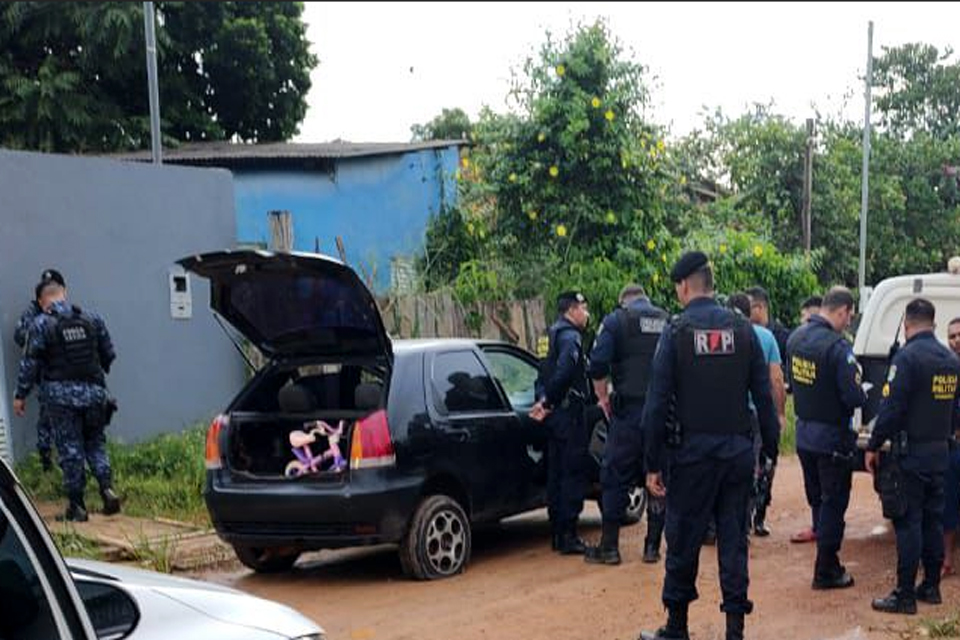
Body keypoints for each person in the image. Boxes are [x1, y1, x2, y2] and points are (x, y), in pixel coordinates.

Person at [639, 252, 779, 640]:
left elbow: (656, 403)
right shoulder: (743, 329)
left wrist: (652, 463)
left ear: (684, 286)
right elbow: (764, 398)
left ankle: (677, 627)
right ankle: (735, 630)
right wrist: (768, 450)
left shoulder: (677, 331)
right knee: (734, 541)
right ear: (710, 283)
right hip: (736, 455)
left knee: (683, 538)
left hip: (692, 458)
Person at [866, 298, 960, 614]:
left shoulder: (907, 358)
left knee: (908, 522)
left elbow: (891, 409)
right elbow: (956, 412)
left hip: (912, 455)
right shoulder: (951, 360)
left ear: (907, 325)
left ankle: (904, 595)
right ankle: (930, 587)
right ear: (933, 324)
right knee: (934, 520)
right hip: (940, 454)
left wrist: (874, 444)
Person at [12, 277, 120, 522]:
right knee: (95, 442)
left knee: (70, 448)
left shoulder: (40, 324)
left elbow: (30, 364)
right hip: (95, 394)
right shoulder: (92, 319)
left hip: (61, 398)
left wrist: (20, 395)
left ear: (41, 302)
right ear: (64, 293)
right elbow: (109, 355)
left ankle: (77, 505)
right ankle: (106, 489)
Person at [786, 286, 866, 589]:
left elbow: (795, 382)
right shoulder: (838, 347)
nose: (848, 322)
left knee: (818, 498)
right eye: (849, 316)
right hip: (832, 439)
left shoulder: (796, 338)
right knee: (834, 502)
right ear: (843, 310)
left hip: (805, 435)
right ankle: (826, 569)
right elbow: (853, 396)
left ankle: (824, 554)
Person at [584, 284, 669, 565]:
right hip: (662, 414)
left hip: (629, 413)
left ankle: (609, 547)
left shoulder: (616, 321)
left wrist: (602, 397)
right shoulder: (668, 321)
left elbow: (597, 364)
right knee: (658, 477)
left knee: (614, 476)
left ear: (624, 302)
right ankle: (652, 547)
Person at [532, 291, 590, 554]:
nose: (586, 315)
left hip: (553, 417)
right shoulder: (570, 337)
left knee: (555, 473)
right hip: (567, 415)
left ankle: (557, 533)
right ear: (572, 310)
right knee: (571, 474)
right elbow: (565, 372)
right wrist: (549, 402)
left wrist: (542, 400)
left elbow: (541, 372)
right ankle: (568, 535)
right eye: (584, 309)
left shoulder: (548, 335)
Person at [729, 293, 787, 537]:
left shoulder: (726, 335)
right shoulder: (765, 337)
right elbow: (776, 379)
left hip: (730, 413)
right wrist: (780, 413)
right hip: (758, 414)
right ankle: (758, 518)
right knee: (763, 464)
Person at [13, 268, 66, 472]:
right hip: (47, 375)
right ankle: (47, 465)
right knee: (47, 421)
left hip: (69, 376)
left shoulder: (72, 313)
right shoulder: (34, 313)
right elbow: (21, 337)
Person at [789, 294, 824, 544]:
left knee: (813, 482)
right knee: (829, 487)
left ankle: (818, 525)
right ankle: (825, 531)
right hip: (828, 429)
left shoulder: (794, 340)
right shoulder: (834, 343)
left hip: (804, 427)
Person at [942, 317, 960, 578]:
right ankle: (946, 560)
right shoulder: (945, 368)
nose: (956, 341)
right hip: (952, 449)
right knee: (948, 504)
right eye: (952, 336)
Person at [745, 286, 791, 374]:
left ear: (760, 307)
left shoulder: (783, 337)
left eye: (748, 307)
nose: (744, 311)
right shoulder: (745, 334)